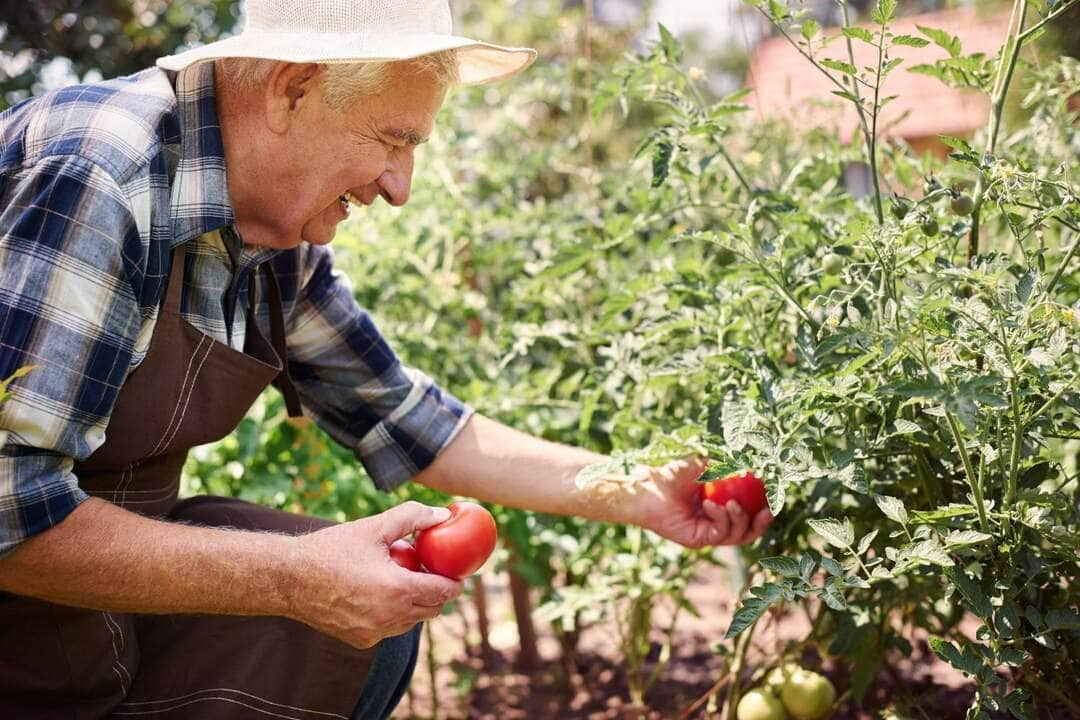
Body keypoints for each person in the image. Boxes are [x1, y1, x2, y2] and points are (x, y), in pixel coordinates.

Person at [0, 0, 774, 717]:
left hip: (93, 613)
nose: (400, 188)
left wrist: (635, 492)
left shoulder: (267, 224)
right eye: (392, 138)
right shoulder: (101, 175)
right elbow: (8, 511)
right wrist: (293, 579)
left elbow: (404, 417)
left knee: (360, 626)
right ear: (292, 89)